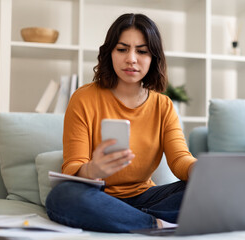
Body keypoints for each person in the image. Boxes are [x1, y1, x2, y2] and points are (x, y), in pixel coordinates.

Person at [45, 13, 197, 233]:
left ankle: (127, 220)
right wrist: (91, 169)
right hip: (98, 196)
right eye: (122, 49)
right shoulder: (84, 98)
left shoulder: (163, 105)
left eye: (142, 51)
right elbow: (72, 166)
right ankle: (155, 224)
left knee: (204, 189)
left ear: (154, 57)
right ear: (110, 53)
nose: (132, 59)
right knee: (61, 197)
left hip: (147, 198)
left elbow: (180, 160)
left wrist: (198, 170)